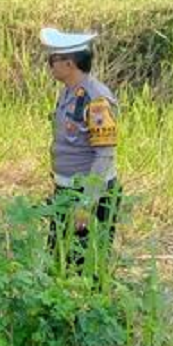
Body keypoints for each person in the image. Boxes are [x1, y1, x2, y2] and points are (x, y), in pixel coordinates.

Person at [41, 27, 121, 254]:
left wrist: (86, 204)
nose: (50, 65)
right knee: (57, 259)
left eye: (53, 59)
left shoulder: (96, 100)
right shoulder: (69, 93)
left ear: (69, 64)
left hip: (88, 196)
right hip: (66, 191)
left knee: (86, 266)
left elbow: (104, 155)